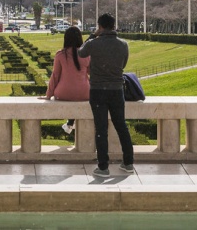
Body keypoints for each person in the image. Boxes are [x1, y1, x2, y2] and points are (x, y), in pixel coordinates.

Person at [78, 12, 134, 177]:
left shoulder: (94, 43)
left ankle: (103, 167)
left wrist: (92, 35)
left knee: (101, 129)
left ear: (100, 26)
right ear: (114, 25)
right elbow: (123, 64)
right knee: (121, 126)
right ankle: (128, 162)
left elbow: (81, 53)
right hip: (117, 90)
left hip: (98, 91)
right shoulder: (123, 44)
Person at [40, 27, 90, 136]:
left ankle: (70, 123)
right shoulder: (86, 54)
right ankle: (70, 123)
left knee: (72, 95)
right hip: (85, 93)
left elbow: (55, 76)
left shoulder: (61, 54)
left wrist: (48, 95)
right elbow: (91, 73)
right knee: (78, 96)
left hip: (63, 93)